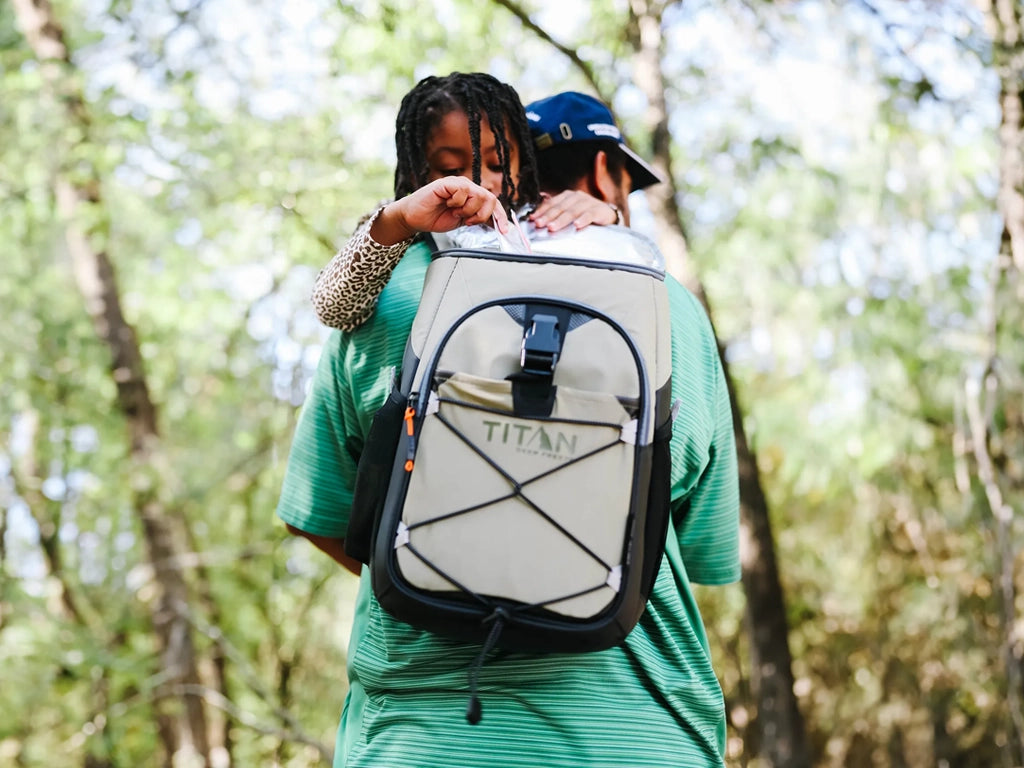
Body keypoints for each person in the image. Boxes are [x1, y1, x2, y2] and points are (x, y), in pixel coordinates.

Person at [276, 73, 740, 767]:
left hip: (423, 738)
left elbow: (318, 516)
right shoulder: (675, 314)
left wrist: (449, 564)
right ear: (607, 174)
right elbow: (704, 549)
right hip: (639, 737)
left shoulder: (383, 299)